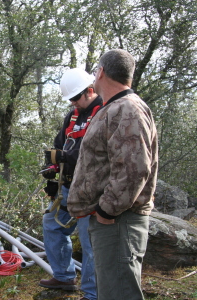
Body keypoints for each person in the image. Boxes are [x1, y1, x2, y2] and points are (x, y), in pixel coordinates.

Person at [68, 49, 158, 300]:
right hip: (114, 221)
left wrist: (107, 211)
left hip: (119, 222)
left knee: (119, 292)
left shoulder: (126, 109)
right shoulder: (116, 108)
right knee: (111, 290)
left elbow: (135, 168)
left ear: (101, 72)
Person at [38, 68, 101, 300]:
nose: (74, 103)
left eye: (76, 98)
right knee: (52, 225)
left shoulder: (103, 111)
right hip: (68, 185)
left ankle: (92, 293)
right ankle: (64, 276)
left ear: (90, 91)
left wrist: (65, 158)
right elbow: (60, 144)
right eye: (71, 99)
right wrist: (53, 166)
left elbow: (96, 154)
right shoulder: (73, 115)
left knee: (88, 240)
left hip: (90, 188)